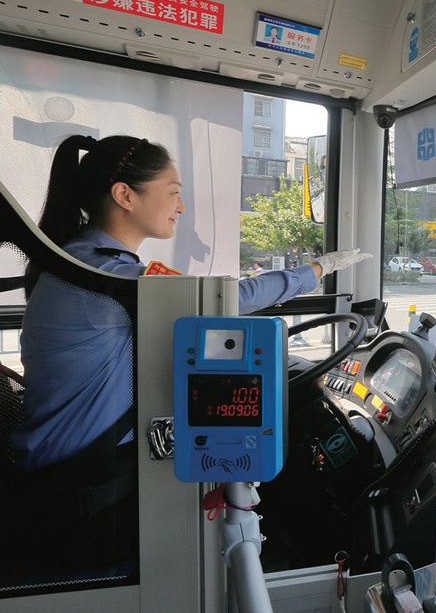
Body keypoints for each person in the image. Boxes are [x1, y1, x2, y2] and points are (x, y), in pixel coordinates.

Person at [9, 134, 371, 569]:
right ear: (125, 195)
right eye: (173, 192)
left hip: (72, 469)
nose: (180, 207)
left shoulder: (81, 263)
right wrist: (317, 268)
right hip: (85, 487)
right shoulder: (106, 277)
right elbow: (226, 297)